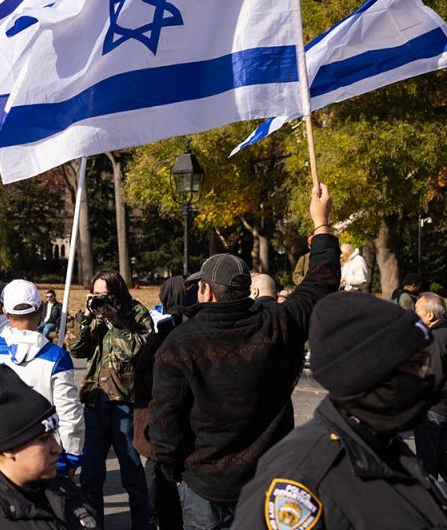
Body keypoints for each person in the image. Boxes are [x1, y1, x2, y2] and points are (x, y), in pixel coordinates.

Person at [150, 184, 339, 530]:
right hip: (262, 480)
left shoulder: (180, 343)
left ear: (205, 290)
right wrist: (321, 223)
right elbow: (321, 284)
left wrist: (170, 468)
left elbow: (165, 422)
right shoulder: (277, 323)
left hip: (208, 483)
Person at [232, 292, 447, 529]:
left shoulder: (384, 447)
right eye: (416, 365)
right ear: (372, 375)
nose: (428, 377)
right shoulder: (301, 475)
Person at [0, 364, 100, 530]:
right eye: (44, 439)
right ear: (9, 448)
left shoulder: (63, 491)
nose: (57, 448)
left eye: (53, 435)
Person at [66, 269, 152, 528]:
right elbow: (76, 349)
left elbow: (138, 350)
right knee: (91, 475)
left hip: (125, 401)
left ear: (117, 292)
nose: (100, 299)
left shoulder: (136, 313)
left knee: (132, 473)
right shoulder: (91, 314)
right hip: (96, 400)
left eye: (105, 294)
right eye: (96, 294)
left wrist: (115, 321)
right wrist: (86, 320)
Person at [0, 279, 84, 474]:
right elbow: (69, 415)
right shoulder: (57, 358)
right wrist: (72, 457)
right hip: (46, 457)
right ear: (41, 309)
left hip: (1, 458)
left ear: (6, 312)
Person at [134, 275, 193, 530]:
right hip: (161, 423)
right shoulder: (166, 333)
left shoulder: (168, 333)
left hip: (159, 424)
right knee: (159, 479)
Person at [414, 292, 447, 480]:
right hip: (443, 407)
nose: (414, 314)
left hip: (433, 408)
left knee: (428, 463)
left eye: (417, 310)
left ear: (430, 315)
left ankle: (429, 505)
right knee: (441, 457)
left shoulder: (437, 338)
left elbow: (432, 375)